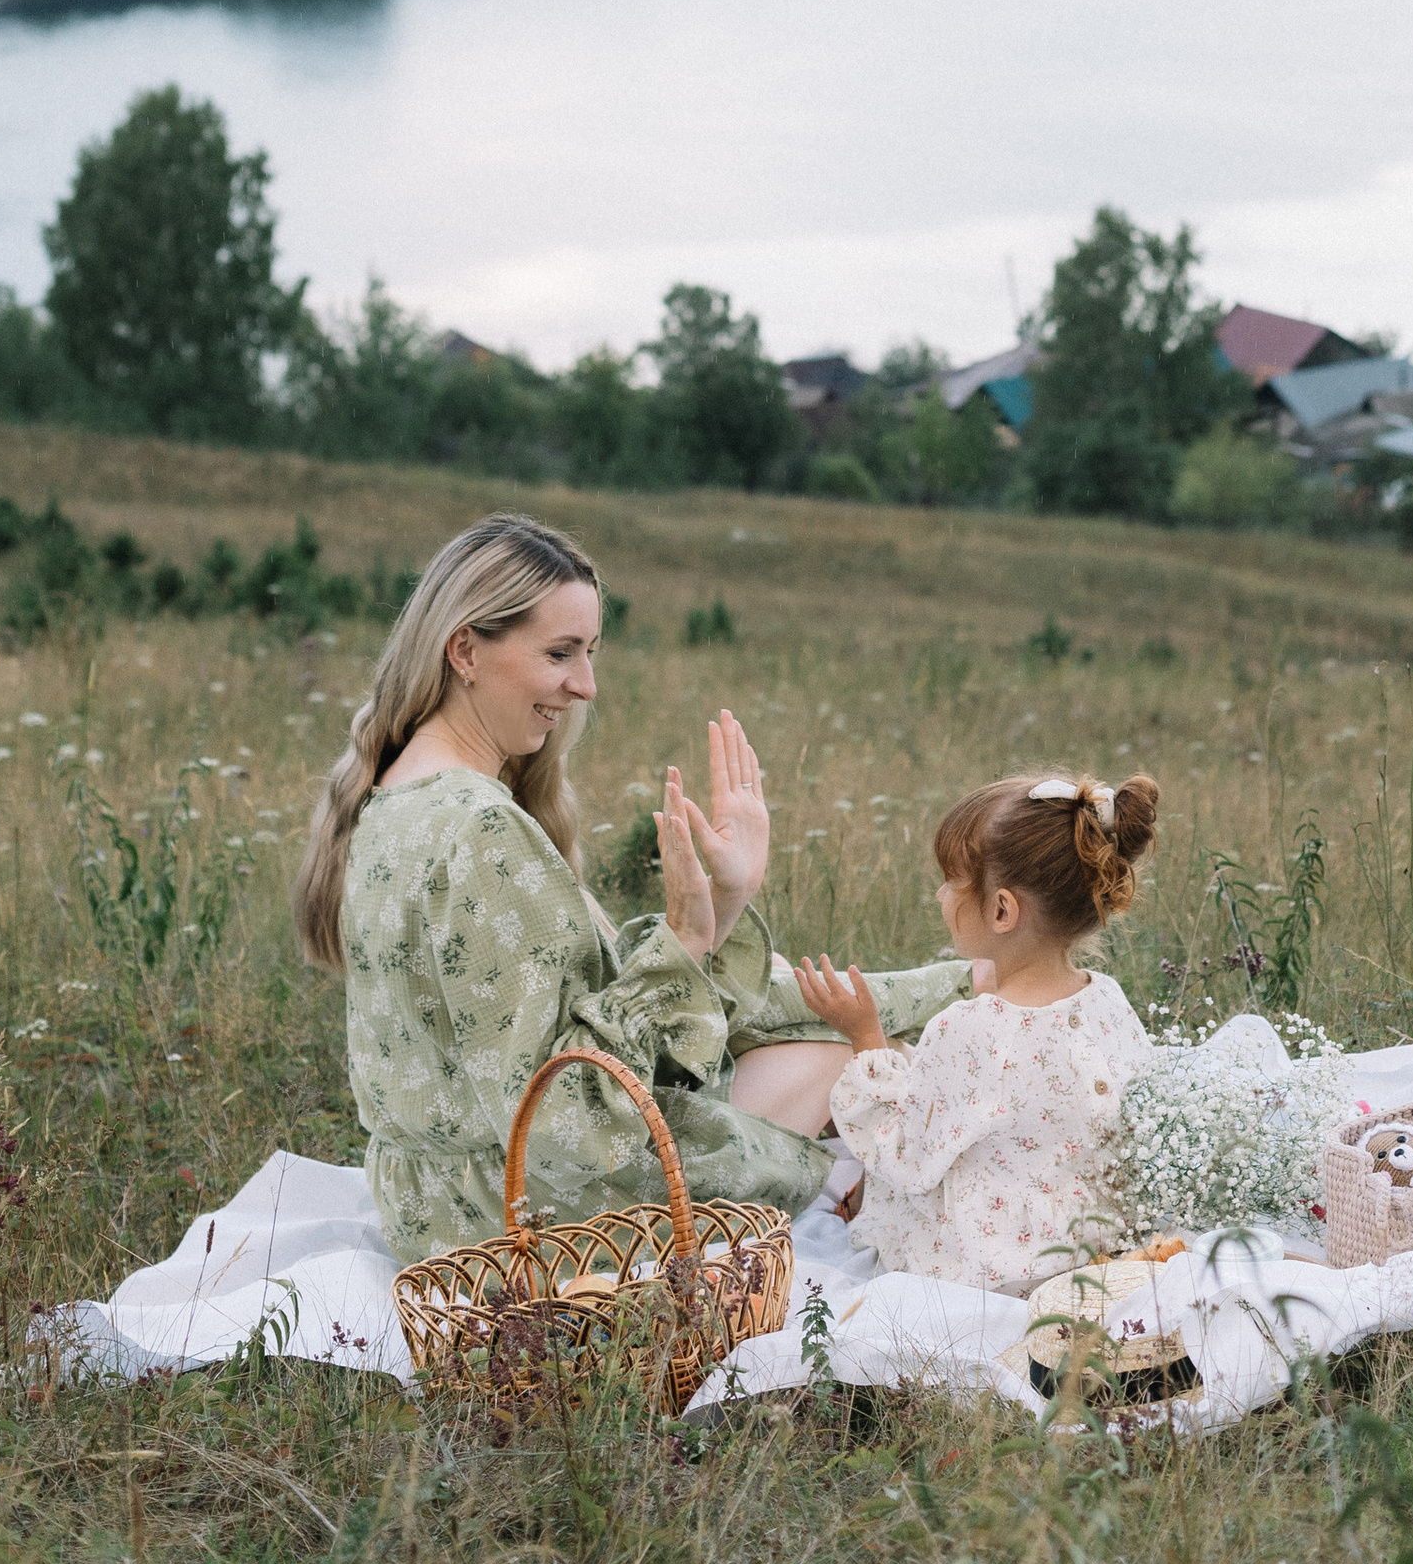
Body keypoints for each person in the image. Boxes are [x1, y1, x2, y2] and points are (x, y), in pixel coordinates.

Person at [291, 510, 971, 1262]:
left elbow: (575, 1034)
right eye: (560, 653)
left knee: (801, 1009)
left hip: (435, 1205)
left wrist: (724, 901)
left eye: (589, 653)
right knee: (857, 1057)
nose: (583, 685)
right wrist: (681, 938)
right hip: (517, 1221)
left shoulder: (400, 794)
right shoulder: (479, 831)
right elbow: (564, 1121)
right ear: (465, 651)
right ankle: (915, 1216)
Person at [792, 769, 1158, 1291]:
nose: (941, 894)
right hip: (1092, 1248)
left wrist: (866, 1038)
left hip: (991, 1267)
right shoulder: (1106, 999)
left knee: (875, 1172)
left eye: (951, 881)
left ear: (1002, 909)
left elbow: (907, 1157)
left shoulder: (968, 1029)